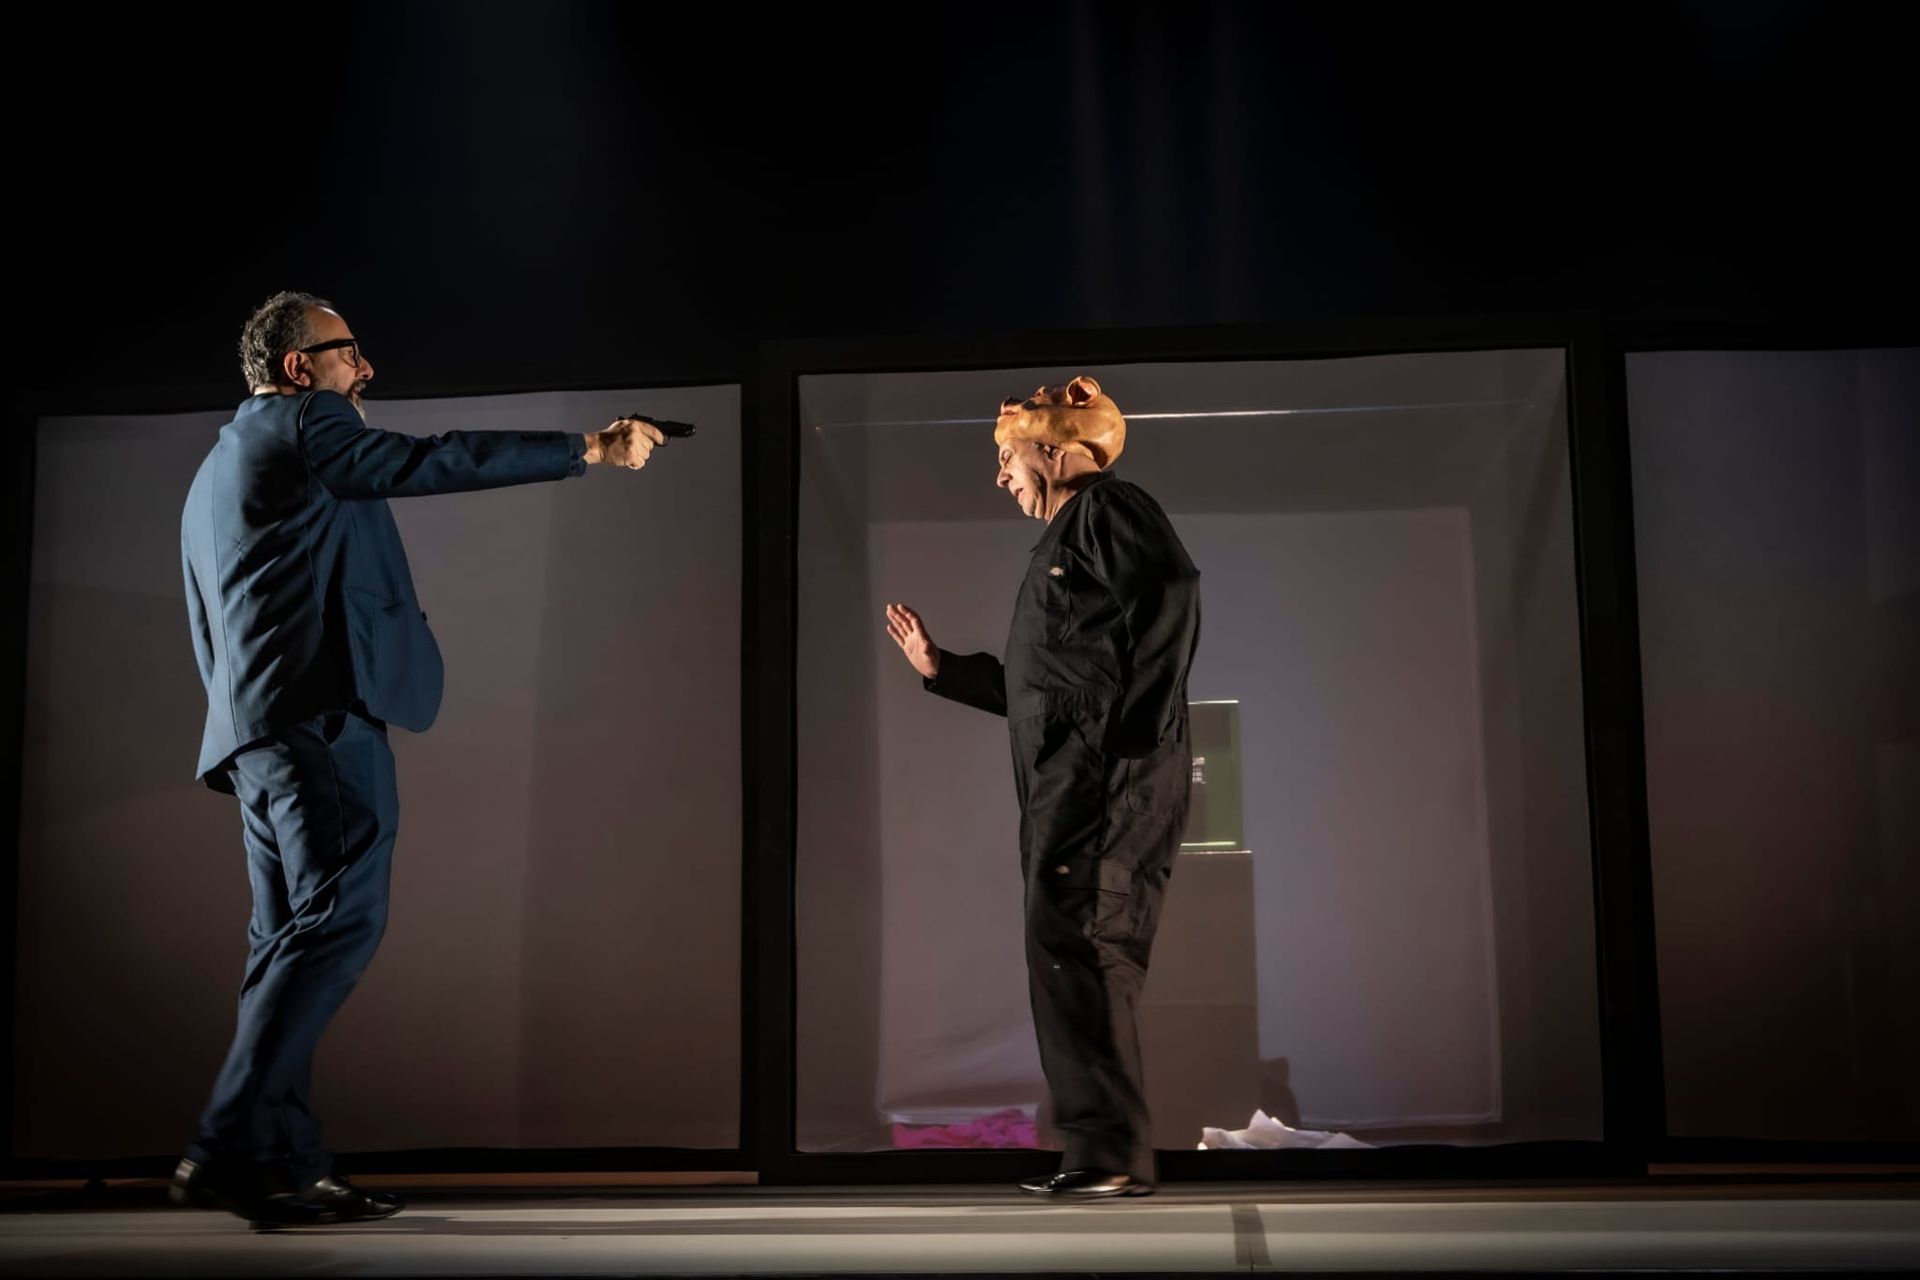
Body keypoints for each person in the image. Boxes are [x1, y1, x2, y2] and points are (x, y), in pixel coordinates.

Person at [172, 291, 668, 1225]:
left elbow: (209, 621)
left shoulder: (216, 467)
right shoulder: (308, 423)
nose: (365, 369)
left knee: (285, 948)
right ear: (298, 368)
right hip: (321, 719)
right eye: (348, 351)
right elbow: (420, 460)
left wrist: (245, 731)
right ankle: (226, 1143)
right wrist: (588, 449)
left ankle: (286, 1163)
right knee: (339, 922)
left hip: (257, 734)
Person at [884, 375, 1201, 1198]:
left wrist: (1131, 734)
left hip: (1101, 784)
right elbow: (1046, 692)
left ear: (1054, 452)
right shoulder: (1068, 536)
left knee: (1083, 945)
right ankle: (1102, 1152)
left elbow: (1171, 590)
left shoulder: (1105, 509)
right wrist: (941, 669)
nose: (1001, 477)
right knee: (1070, 948)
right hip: (1075, 782)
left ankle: (1108, 1155)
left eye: (1007, 459)